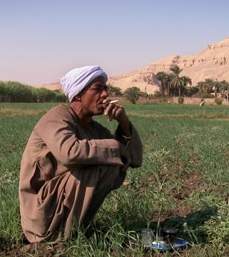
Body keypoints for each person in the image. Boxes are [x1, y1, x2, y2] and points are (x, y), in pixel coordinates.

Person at [19, 65, 143, 243]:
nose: (105, 95)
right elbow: (69, 153)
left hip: (58, 205)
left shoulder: (93, 128)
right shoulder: (57, 116)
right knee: (104, 163)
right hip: (41, 214)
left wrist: (124, 122)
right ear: (78, 94)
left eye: (105, 89)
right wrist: (116, 148)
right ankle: (59, 234)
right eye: (97, 89)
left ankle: (76, 228)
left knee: (109, 164)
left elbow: (134, 159)